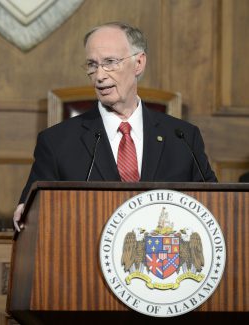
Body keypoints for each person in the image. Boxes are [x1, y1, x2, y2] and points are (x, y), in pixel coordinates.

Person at [13, 21, 217, 230]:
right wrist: (27, 212)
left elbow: (214, 207)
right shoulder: (57, 142)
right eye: (92, 65)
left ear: (139, 63)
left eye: (110, 62)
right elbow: (30, 214)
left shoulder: (182, 138)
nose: (100, 76)